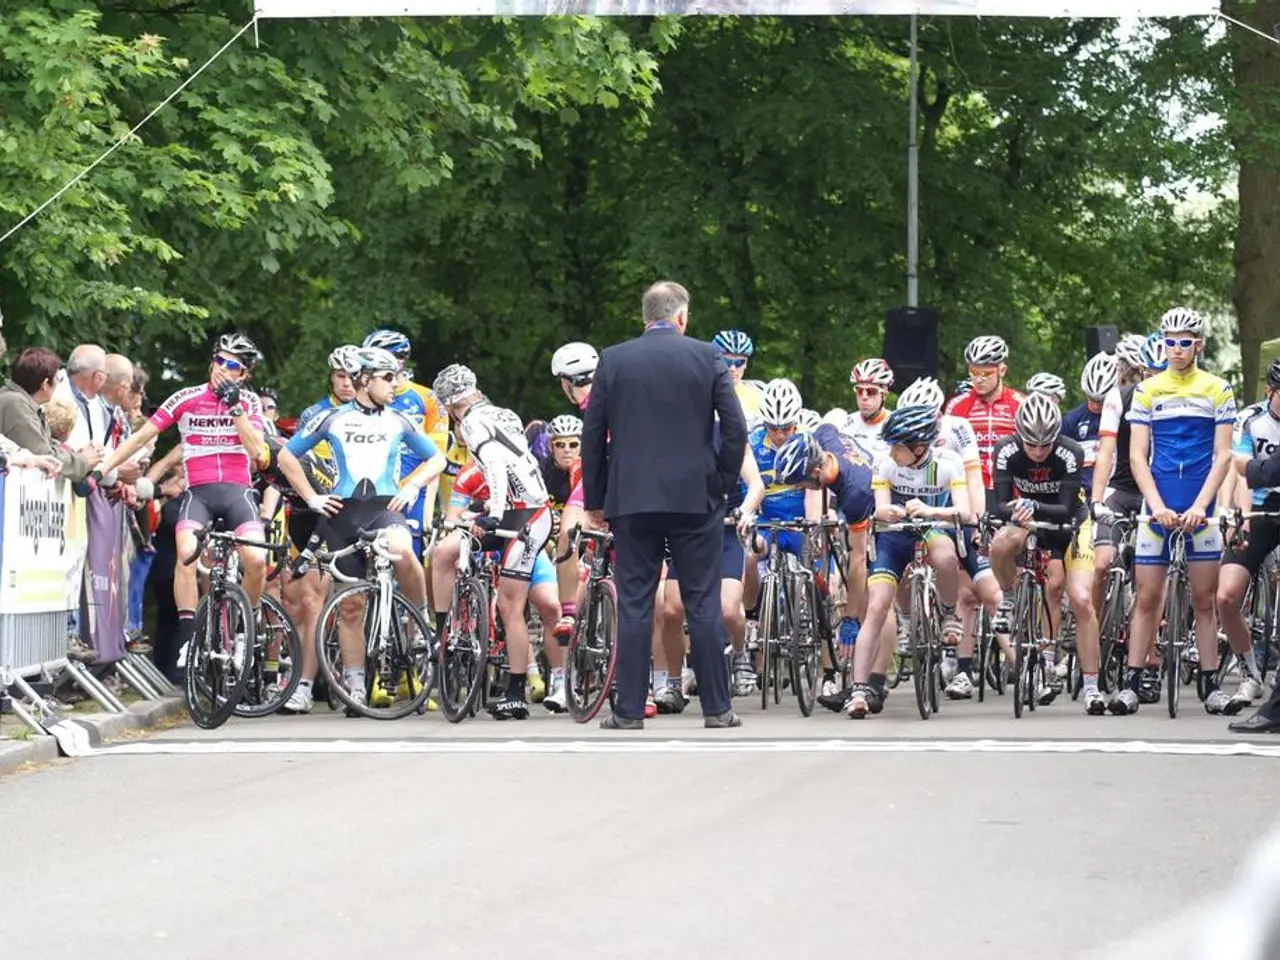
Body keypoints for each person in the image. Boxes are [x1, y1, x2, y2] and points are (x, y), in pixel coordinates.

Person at [583, 282, 748, 730]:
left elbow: (593, 434)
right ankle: (717, 708)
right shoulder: (707, 357)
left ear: (645, 317)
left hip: (632, 498)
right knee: (703, 601)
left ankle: (629, 710)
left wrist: (596, 499)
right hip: (695, 497)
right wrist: (722, 482)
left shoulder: (614, 360)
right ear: (682, 317)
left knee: (636, 603)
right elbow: (734, 428)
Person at [281, 347, 446, 712]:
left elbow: (437, 458)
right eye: (388, 378)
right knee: (351, 607)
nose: (396, 385)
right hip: (342, 513)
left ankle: (420, 621)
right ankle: (355, 684)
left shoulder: (400, 420)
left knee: (402, 550)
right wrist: (311, 497)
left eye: (397, 377)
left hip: (384, 508)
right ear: (364, 379)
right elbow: (286, 455)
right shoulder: (332, 418)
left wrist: (413, 486)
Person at [93, 333, 271, 670]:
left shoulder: (248, 402)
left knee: (256, 560)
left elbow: (259, 454)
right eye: (219, 360)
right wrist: (103, 468)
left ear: (244, 374)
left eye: (232, 365)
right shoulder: (186, 397)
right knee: (187, 553)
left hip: (237, 493)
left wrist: (235, 407)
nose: (222, 368)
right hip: (199, 493)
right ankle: (190, 636)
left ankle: (244, 629)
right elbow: (142, 437)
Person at [1114, 307, 1236, 716]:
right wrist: (1157, 505)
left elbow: (1223, 455)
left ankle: (1211, 684)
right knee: (1148, 598)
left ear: (1198, 344)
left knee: (1204, 599)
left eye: (1184, 342)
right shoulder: (1148, 390)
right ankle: (1132, 683)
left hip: (1201, 505)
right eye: (1170, 342)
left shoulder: (1218, 388)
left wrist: (1202, 505)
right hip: (1159, 504)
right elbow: (1137, 456)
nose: (1176, 349)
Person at [431, 363, 553, 720]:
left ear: (450, 405)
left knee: (511, 606)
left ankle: (515, 690)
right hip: (513, 508)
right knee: (445, 551)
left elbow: (497, 464)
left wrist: (494, 513)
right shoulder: (502, 413)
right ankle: (446, 634)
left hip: (528, 515)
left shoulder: (472, 422)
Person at [988, 392, 1104, 714]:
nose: (1038, 452)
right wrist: (1019, 510)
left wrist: (1032, 504)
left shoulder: (1070, 451)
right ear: (1019, 436)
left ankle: (1092, 687)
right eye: (1031, 445)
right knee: (1001, 543)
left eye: (1045, 445)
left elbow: (1066, 508)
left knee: (1080, 598)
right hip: (1030, 520)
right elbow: (999, 505)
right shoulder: (1006, 450)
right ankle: (1009, 599)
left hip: (1070, 521)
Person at [1214, 358, 1280, 717]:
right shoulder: (1250, 419)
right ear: (1270, 391)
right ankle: (1250, 672)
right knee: (1226, 595)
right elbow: (1239, 470)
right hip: (1258, 503)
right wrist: (1237, 516)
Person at [363, 329, 449, 555]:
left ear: (399, 360)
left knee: (409, 557)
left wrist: (428, 508)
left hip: (413, 491)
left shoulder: (428, 399)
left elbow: (436, 458)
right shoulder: (363, 397)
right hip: (372, 489)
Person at [0, 347, 98, 479]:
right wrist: (84, 461)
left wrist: (77, 457)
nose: (58, 383)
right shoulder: (15, 404)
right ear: (45, 384)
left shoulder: (18, 401)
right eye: (58, 378)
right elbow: (42, 454)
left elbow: (48, 446)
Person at [711, 329, 762, 431]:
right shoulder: (701, 393)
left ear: (746, 364)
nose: (732, 368)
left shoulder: (757, 397)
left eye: (739, 362)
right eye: (726, 362)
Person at [844, 357, 894, 458]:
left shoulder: (894, 425)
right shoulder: (846, 424)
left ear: (884, 394)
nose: (864, 397)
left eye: (871, 391)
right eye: (859, 390)